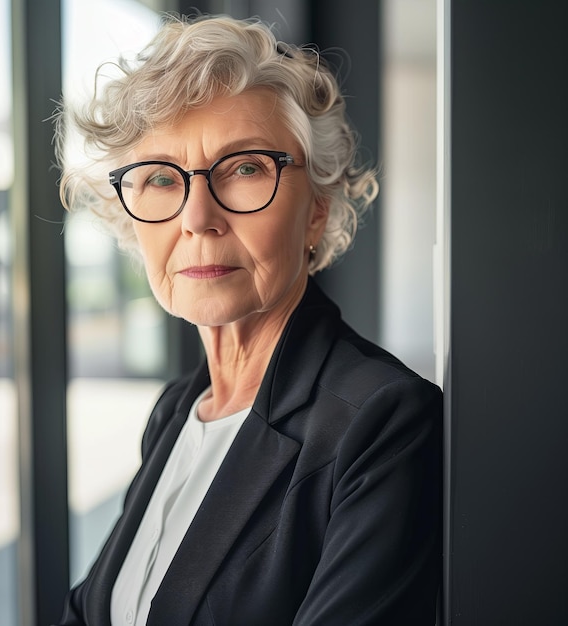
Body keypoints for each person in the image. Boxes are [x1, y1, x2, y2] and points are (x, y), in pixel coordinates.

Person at [54, 13, 442, 626]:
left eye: (244, 169)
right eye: (160, 177)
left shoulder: (381, 422)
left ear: (316, 207)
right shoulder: (177, 411)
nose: (197, 217)